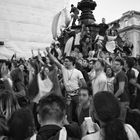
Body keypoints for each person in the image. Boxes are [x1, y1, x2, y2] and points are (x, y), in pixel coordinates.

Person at [46, 47, 86, 121]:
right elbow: (55, 61)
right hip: (68, 95)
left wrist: (80, 91)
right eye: (64, 61)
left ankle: (81, 126)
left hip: (77, 95)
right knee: (68, 113)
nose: (65, 63)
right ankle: (70, 128)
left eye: (67, 61)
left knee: (79, 112)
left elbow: (84, 84)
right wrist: (48, 53)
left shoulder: (78, 72)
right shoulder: (63, 68)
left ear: (71, 62)